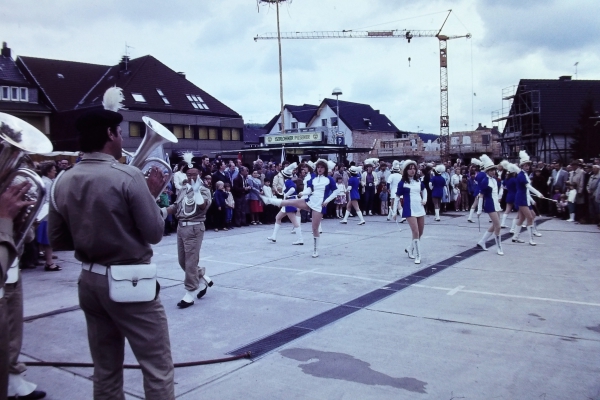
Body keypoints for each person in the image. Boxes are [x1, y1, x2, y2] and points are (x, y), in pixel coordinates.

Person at [48, 100, 175, 399]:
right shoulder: (128, 177)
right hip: (130, 281)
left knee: (105, 368)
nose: (122, 138)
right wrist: (151, 197)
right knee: (157, 367)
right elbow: (155, 233)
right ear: (109, 133)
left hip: (89, 281)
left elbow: (58, 239)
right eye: (119, 131)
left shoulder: (62, 180)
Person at [261, 159, 340, 257]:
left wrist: (327, 200)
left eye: (322, 167)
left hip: (319, 205)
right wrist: (303, 193)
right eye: (318, 167)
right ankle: (270, 201)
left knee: (314, 228)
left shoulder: (329, 179)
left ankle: (316, 250)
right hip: (310, 200)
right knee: (291, 202)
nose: (320, 169)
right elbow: (310, 189)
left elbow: (336, 191)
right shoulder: (314, 178)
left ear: (325, 168)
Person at [165, 166, 213, 308]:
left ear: (199, 174)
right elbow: (176, 206)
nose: (191, 177)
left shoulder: (204, 190)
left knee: (190, 261)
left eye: (194, 174)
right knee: (182, 261)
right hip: (181, 227)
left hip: (194, 227)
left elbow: (203, 206)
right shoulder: (183, 189)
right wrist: (161, 211)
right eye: (188, 174)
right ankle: (203, 277)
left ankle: (190, 293)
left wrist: (197, 191)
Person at [396, 160, 427, 264]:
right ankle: (418, 256)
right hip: (409, 209)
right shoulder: (402, 183)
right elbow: (396, 197)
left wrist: (425, 199)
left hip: (419, 207)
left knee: (420, 232)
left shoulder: (418, 181)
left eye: (414, 168)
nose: (412, 170)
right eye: (410, 168)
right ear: (406, 170)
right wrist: (394, 212)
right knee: (415, 232)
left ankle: (410, 248)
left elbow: (424, 190)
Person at [511, 150, 544, 245]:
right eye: (525, 165)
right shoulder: (521, 175)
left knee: (521, 219)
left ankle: (515, 237)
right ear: (521, 166)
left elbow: (527, 190)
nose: (527, 167)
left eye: (528, 165)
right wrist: (538, 194)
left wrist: (532, 199)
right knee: (530, 217)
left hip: (523, 198)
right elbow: (528, 187)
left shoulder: (524, 174)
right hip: (521, 199)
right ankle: (531, 240)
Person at [267, 163, 303, 245]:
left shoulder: (288, 182)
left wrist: (285, 195)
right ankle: (274, 236)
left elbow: (292, 189)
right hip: (288, 202)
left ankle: (300, 239)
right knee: (278, 217)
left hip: (289, 202)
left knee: (294, 222)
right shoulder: (288, 181)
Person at [475, 155, 504, 256]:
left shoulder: (494, 180)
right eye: (491, 170)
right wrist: (479, 210)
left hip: (496, 204)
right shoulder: (485, 181)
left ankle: (482, 242)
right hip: (489, 204)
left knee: (495, 225)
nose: (493, 172)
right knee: (498, 226)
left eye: (494, 170)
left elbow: (497, 192)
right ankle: (499, 247)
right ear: (487, 171)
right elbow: (481, 195)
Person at [37, 161, 61, 271]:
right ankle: (49, 262)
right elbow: (48, 199)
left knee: (46, 239)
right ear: (48, 171)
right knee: (47, 240)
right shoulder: (46, 182)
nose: (55, 171)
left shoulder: (46, 181)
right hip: (46, 213)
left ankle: (48, 258)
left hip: (45, 212)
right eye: (53, 169)